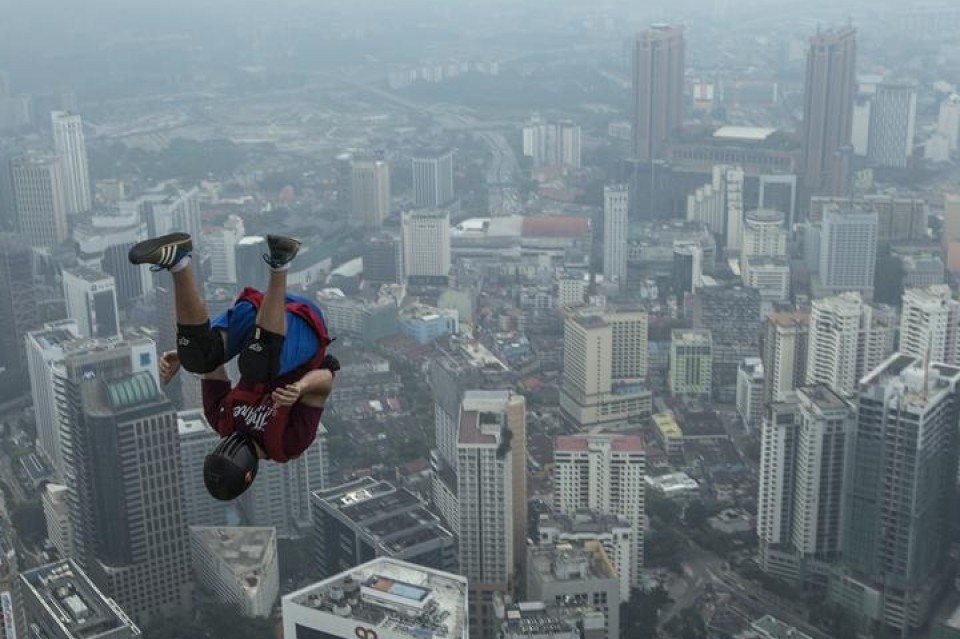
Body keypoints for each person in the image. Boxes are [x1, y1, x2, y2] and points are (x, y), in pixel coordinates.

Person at [129, 231, 338, 501]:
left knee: (198, 357)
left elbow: (211, 366)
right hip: (303, 330)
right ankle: (281, 262)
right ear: (247, 472)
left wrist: (183, 355)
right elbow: (324, 381)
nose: (227, 446)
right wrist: (300, 387)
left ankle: (178, 260)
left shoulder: (222, 418)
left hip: (262, 314)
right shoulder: (289, 443)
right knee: (258, 365)